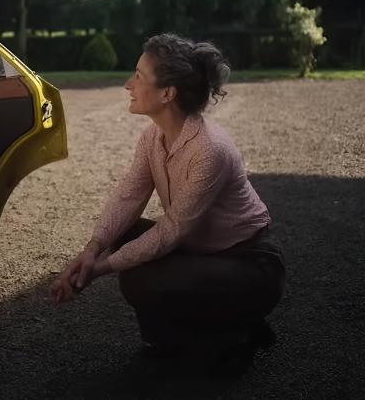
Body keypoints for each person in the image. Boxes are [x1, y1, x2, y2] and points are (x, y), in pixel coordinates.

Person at [50, 33, 285, 372]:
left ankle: (236, 334)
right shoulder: (152, 137)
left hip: (250, 264)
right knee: (125, 235)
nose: (128, 84)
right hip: (202, 252)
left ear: (167, 93)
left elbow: (170, 231)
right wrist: (91, 249)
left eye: (139, 76)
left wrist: (96, 271)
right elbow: (129, 195)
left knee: (137, 278)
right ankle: (179, 338)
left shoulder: (209, 149)